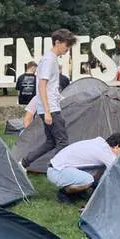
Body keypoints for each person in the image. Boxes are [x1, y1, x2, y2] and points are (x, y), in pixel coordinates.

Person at [20, 29, 77, 167]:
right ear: (57, 42)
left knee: (51, 142)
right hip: (50, 108)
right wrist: (47, 111)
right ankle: (56, 170)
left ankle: (24, 163)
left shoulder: (50, 59)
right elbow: (41, 86)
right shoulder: (49, 60)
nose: (68, 49)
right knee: (62, 142)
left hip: (50, 107)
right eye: (66, 45)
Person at [47, 133, 120, 204]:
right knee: (88, 180)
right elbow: (119, 170)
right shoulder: (105, 152)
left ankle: (79, 191)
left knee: (100, 169)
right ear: (117, 146)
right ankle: (64, 193)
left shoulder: (101, 144)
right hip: (57, 171)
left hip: (63, 168)